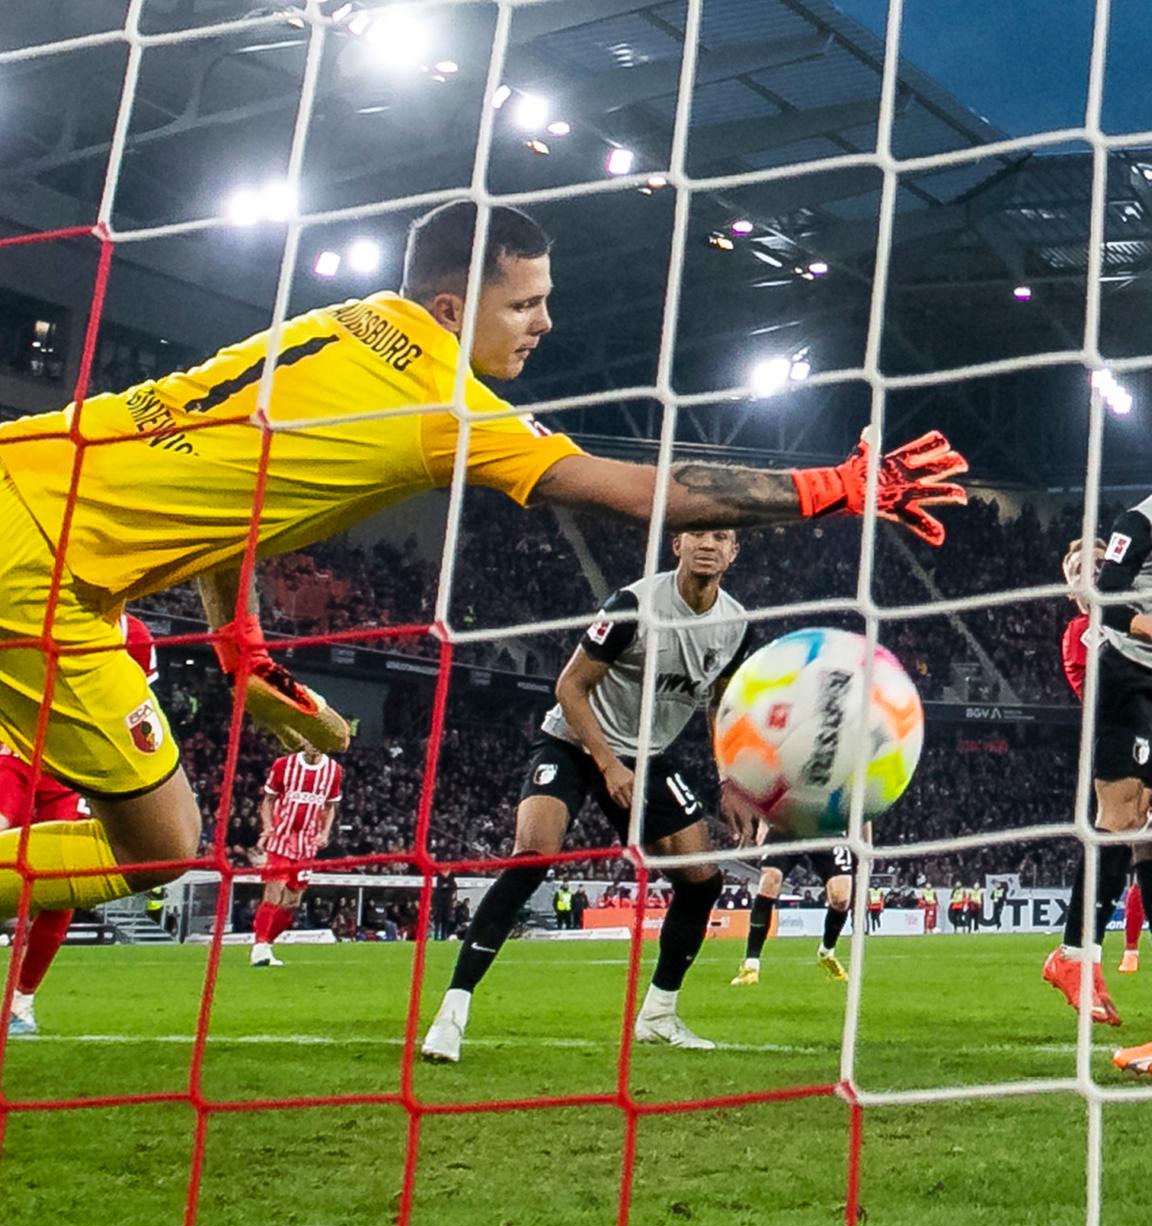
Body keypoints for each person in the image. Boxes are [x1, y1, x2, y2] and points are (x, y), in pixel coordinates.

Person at [0, 198, 967, 922]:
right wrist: (833, 488)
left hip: (29, 467)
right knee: (163, 847)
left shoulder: (344, 322)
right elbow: (645, 494)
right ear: (456, 308)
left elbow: (234, 488)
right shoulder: (446, 408)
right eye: (527, 304)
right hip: (40, 572)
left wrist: (237, 642)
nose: (545, 324)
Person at [421, 529, 758, 1062]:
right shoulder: (633, 605)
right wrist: (607, 762)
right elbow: (568, 687)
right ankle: (450, 1015)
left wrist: (728, 780)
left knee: (701, 882)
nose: (708, 544)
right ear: (677, 544)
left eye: (721, 536)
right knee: (533, 856)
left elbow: (722, 703)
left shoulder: (736, 626)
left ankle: (658, 1016)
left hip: (647, 756)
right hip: (575, 742)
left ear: (734, 552)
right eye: (697, 533)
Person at [2, 613, 157, 1036]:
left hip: (74, 773)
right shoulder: (31, 605)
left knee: (64, 887)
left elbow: (138, 713)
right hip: (13, 757)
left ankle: (20, 1004)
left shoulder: (134, 635)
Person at [1042, 533, 1149, 1027]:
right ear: (1071, 591)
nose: (1092, 573)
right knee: (1123, 828)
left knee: (1140, 842)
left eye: (1100, 564)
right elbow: (1099, 702)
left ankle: (1085, 960)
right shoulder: (1083, 633)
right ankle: (1079, 955)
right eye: (1080, 569)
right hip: (1116, 735)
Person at [250, 743, 342, 968]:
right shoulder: (284, 765)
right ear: (303, 740)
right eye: (311, 739)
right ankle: (259, 946)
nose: (315, 745)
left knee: (292, 903)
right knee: (274, 890)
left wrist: (324, 832)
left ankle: (267, 945)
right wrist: (268, 827)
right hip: (281, 838)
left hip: (307, 845)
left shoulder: (333, 770)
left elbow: (330, 806)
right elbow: (269, 800)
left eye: (319, 740)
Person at [730, 841, 856, 985]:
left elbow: (865, 819)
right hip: (788, 827)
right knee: (770, 880)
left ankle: (826, 953)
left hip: (827, 830)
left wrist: (867, 844)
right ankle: (750, 966)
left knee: (841, 899)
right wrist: (763, 822)